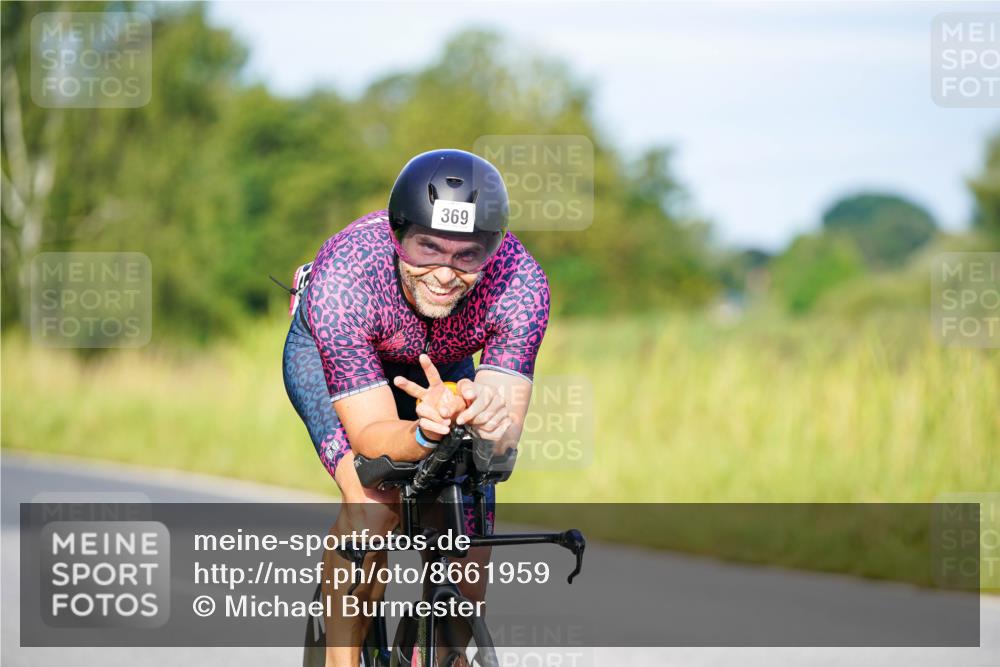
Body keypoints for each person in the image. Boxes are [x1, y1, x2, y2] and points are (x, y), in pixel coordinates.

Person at [281, 148, 550, 666]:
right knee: (373, 500)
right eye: (427, 247)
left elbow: (503, 439)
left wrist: (488, 423)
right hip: (333, 353)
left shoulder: (521, 283)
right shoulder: (345, 278)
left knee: (471, 526)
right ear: (397, 235)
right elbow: (373, 437)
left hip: (441, 366)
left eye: (466, 255)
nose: (445, 273)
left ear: (492, 250)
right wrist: (425, 434)